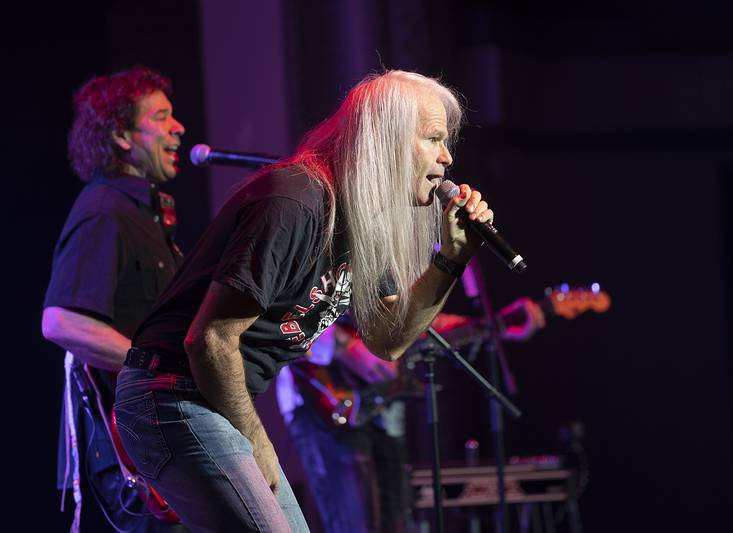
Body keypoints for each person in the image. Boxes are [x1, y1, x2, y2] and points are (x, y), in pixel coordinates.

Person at [112, 69, 497, 532]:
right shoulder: (297, 201)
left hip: (205, 402)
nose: (447, 157)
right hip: (170, 395)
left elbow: (389, 340)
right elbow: (210, 339)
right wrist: (258, 441)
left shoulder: (362, 222)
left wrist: (451, 261)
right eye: (433, 138)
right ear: (387, 139)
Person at [41, 66, 187, 532]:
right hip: (136, 454)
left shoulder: (145, 213)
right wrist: (155, 367)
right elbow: (61, 322)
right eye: (161, 117)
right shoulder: (105, 208)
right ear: (123, 136)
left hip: (161, 442)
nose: (178, 128)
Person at [276, 296, 545, 533]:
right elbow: (305, 328)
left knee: (397, 520)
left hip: (384, 417)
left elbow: (422, 321)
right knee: (354, 523)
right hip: (325, 412)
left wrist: (498, 324)